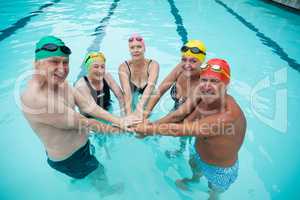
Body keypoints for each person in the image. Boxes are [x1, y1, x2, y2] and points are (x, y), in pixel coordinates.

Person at [20, 36, 138, 187]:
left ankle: (81, 181)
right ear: (37, 63)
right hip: (71, 159)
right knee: (99, 174)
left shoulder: (60, 83)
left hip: (80, 148)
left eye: (65, 62)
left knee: (90, 174)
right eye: (54, 62)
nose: (62, 69)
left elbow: (88, 106)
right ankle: (107, 192)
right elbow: (86, 123)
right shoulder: (36, 100)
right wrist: (121, 130)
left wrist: (120, 120)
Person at [134, 58, 246, 200]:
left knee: (214, 192)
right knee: (194, 167)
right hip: (198, 151)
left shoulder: (228, 116)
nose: (207, 86)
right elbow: (179, 115)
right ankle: (194, 180)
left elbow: (180, 130)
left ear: (226, 84)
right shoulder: (203, 93)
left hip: (219, 169)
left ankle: (213, 196)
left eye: (214, 81)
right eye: (204, 80)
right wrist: (150, 126)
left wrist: (148, 130)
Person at [143, 40, 207, 156]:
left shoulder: (203, 83)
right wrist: (145, 114)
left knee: (187, 140)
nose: (187, 64)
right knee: (157, 131)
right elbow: (160, 90)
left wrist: (149, 128)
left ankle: (181, 150)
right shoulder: (181, 68)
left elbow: (180, 115)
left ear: (202, 62)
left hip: (193, 118)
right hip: (176, 110)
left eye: (193, 61)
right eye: (184, 59)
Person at [119, 33, 159, 118]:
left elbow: (150, 87)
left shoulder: (153, 65)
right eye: (132, 48)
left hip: (149, 97)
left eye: (139, 47)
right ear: (129, 50)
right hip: (131, 97)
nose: (136, 50)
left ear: (144, 49)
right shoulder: (124, 67)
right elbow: (127, 92)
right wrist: (129, 115)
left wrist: (138, 110)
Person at [75, 51, 125, 117]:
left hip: (107, 109)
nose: (100, 70)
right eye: (96, 67)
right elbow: (94, 110)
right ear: (88, 68)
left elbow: (121, 97)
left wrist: (124, 116)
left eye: (102, 67)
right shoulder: (81, 85)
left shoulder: (107, 77)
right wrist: (119, 121)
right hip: (89, 118)